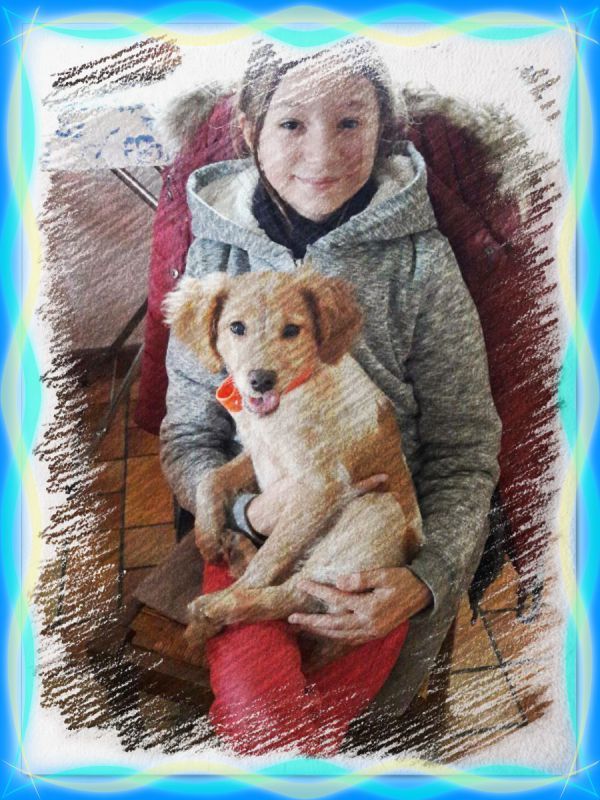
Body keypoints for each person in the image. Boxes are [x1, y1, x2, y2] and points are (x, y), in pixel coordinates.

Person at [159, 37, 502, 756]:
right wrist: (247, 510)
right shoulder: (213, 258)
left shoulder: (422, 263)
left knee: (320, 732)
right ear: (249, 130)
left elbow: (466, 450)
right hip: (253, 538)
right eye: (291, 123)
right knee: (266, 721)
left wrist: (427, 580)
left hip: (380, 547)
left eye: (350, 121)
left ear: (383, 128)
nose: (322, 153)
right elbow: (189, 436)